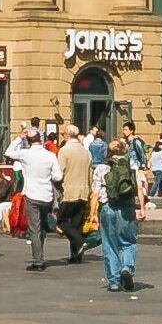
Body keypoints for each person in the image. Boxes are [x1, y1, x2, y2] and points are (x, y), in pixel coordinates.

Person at [95, 126, 142, 295]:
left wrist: (93, 214)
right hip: (127, 207)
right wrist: (142, 208)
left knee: (109, 245)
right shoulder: (131, 164)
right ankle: (127, 268)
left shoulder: (101, 168)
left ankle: (114, 282)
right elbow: (139, 188)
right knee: (128, 241)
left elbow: (96, 193)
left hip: (108, 207)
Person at [12, 125, 61, 268]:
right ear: (40, 139)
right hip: (46, 195)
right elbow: (58, 176)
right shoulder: (50, 155)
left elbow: (8, 152)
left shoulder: (25, 154)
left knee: (34, 228)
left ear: (28, 140)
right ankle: (40, 253)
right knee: (42, 227)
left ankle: (38, 259)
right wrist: (48, 176)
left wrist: (18, 138)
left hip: (32, 194)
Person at [55, 120, 93, 263]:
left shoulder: (64, 150)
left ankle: (80, 241)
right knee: (76, 224)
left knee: (62, 221)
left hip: (69, 191)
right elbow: (90, 174)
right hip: (83, 191)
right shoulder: (86, 152)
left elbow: (59, 172)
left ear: (67, 135)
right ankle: (76, 256)